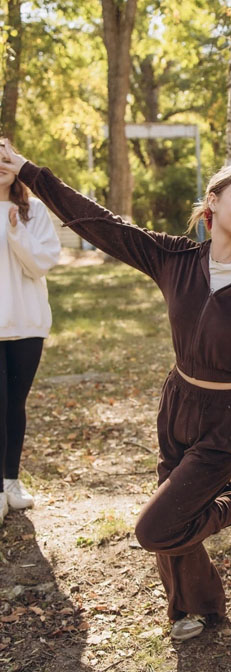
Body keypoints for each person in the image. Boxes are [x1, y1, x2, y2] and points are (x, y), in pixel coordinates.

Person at [0, 140, 231, 641]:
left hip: (230, 417)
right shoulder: (174, 257)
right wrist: (31, 172)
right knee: (178, 510)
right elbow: (98, 223)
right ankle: (193, 609)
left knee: (156, 527)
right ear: (213, 204)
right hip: (178, 401)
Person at [0, 143, 61, 526]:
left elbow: (41, 263)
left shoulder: (34, 211)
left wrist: (15, 230)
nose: (0, 165)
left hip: (27, 325)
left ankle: (11, 480)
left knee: (15, 405)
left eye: (6, 157)